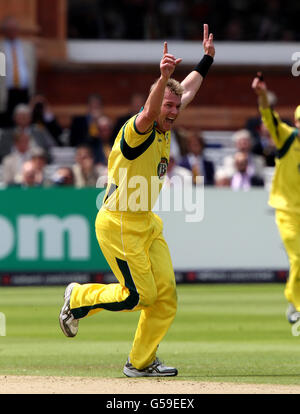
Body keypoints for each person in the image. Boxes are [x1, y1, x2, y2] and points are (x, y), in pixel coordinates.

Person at [59, 24, 215, 377]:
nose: (173, 111)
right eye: (167, 105)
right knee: (137, 297)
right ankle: (79, 298)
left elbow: (185, 90)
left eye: (176, 107)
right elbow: (150, 110)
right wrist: (162, 80)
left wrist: (205, 60)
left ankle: (140, 362)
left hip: (145, 221)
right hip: (120, 222)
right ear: (156, 102)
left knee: (166, 298)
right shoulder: (139, 129)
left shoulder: (167, 123)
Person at [251, 73, 300, 325]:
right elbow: (268, 117)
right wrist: (261, 95)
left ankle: (294, 302)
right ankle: (296, 305)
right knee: (298, 258)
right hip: (287, 211)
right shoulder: (287, 137)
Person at [0, 16, 37, 127]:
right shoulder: (1, 48)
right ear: (4, 31)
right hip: (6, 92)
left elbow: (32, 68)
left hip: (24, 91)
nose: (12, 32)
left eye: (14, 29)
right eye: (9, 29)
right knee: (6, 123)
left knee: (25, 122)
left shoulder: (28, 46)